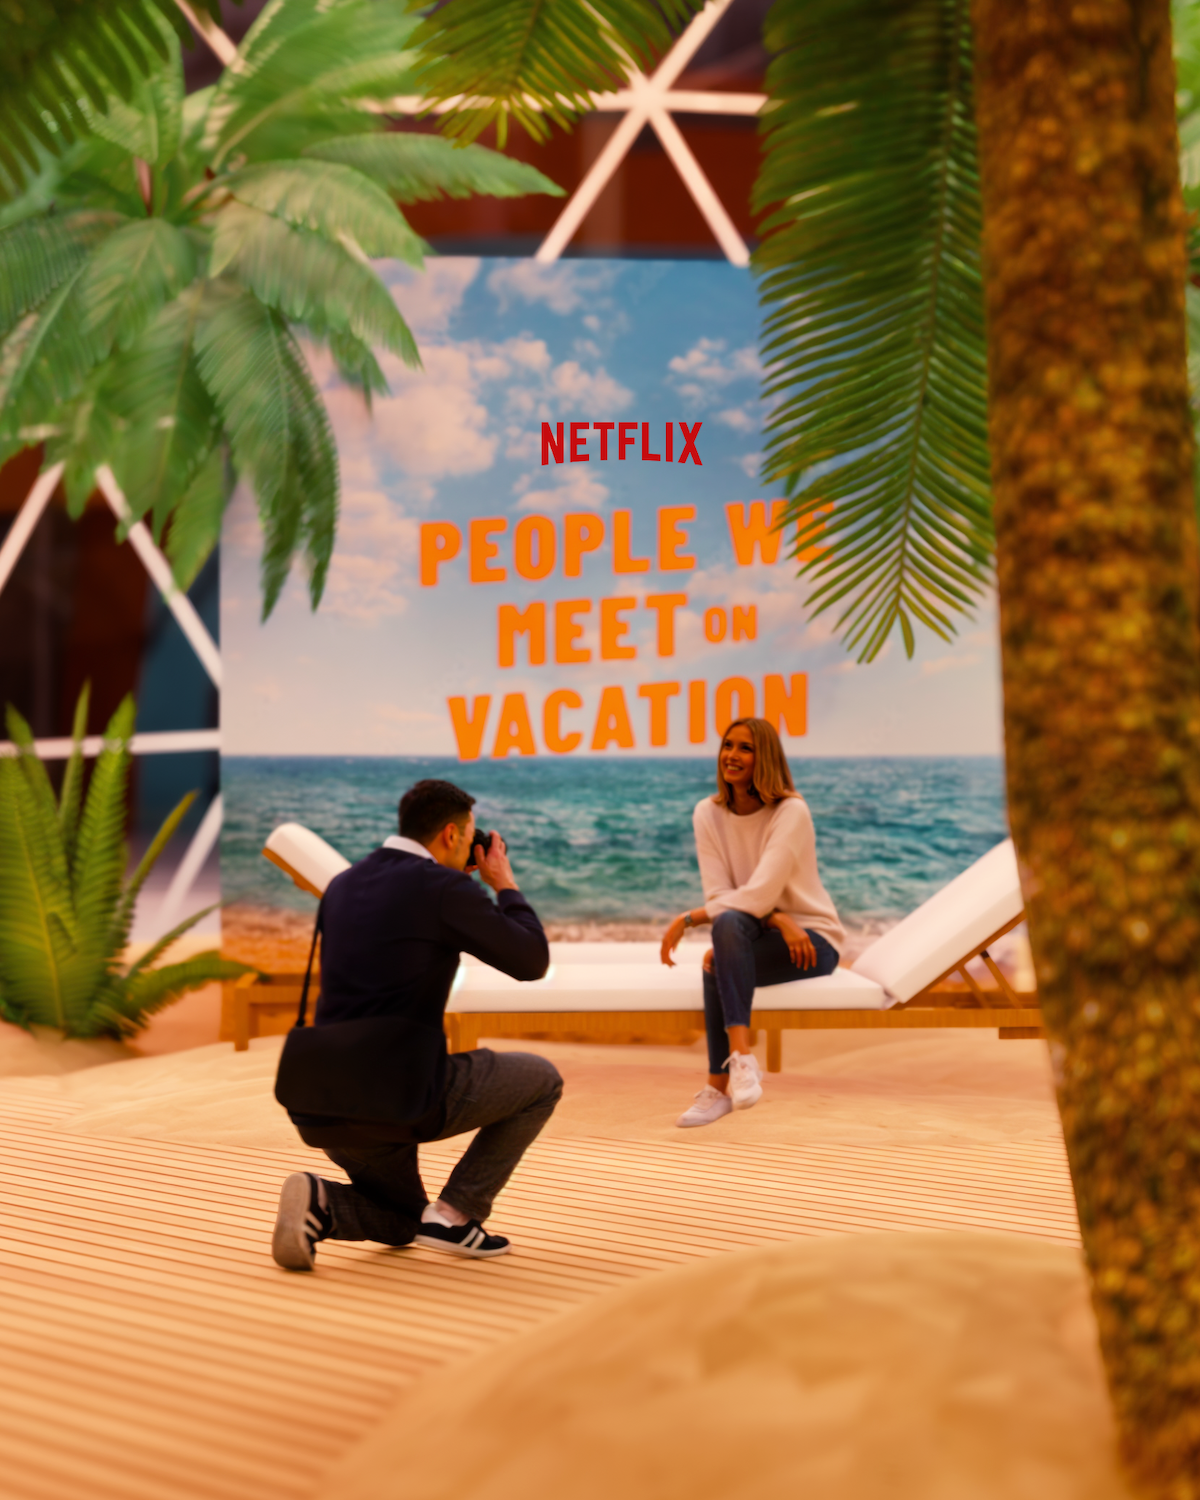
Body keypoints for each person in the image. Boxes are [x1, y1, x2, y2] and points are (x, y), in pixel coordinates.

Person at [271, 778, 560, 1270]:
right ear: (451, 835)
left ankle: (320, 1202)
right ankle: (456, 1214)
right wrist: (502, 883)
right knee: (541, 1080)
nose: (472, 848)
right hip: (397, 1098)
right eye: (470, 838)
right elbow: (531, 960)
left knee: (403, 1220)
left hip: (320, 1102)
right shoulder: (442, 889)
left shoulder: (344, 885)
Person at [660, 718, 844, 1128]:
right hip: (758, 930)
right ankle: (740, 1064)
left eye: (746, 748)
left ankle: (719, 1083)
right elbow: (720, 897)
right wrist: (777, 917)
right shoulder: (707, 813)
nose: (732, 755)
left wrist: (689, 919)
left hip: (811, 939)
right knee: (721, 944)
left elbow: (755, 894)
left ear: (765, 759)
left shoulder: (790, 810)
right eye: (728, 746)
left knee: (718, 953)